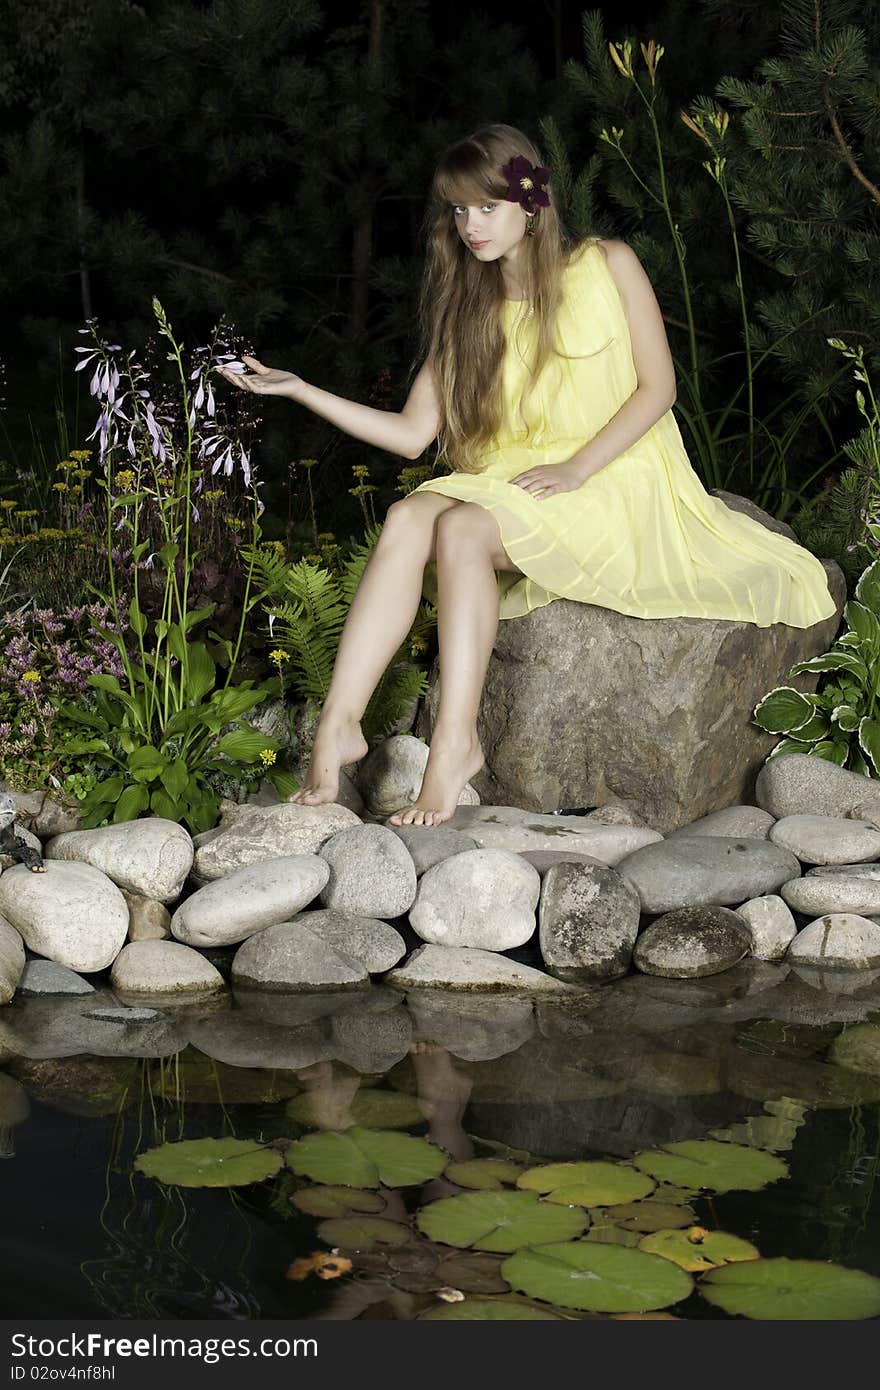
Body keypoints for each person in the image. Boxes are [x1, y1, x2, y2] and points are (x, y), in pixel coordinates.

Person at [217, 122, 837, 829]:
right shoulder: (468, 309)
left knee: (459, 527)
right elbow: (414, 435)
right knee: (407, 516)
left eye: (486, 207)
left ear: (531, 203)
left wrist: (576, 468)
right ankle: (339, 723)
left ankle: (456, 742)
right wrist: (301, 389)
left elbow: (658, 389)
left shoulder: (606, 263)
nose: (469, 225)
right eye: (457, 210)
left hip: (615, 473)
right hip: (518, 482)